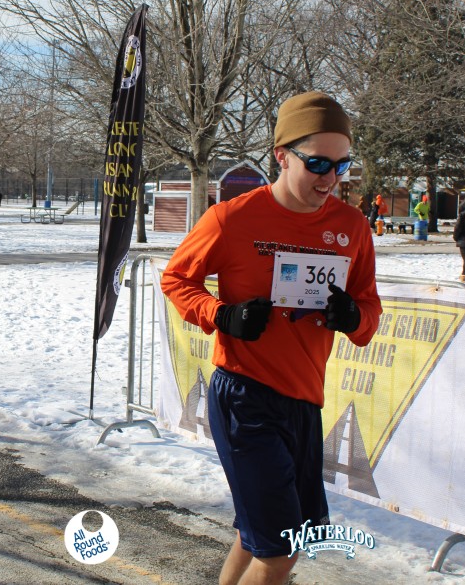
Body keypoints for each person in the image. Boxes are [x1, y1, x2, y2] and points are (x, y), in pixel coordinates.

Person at [161, 91, 382, 585]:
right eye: (317, 163)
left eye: (341, 165)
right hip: (245, 397)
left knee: (260, 534)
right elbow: (176, 279)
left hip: (304, 401)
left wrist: (352, 316)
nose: (330, 178)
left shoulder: (351, 227)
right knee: (281, 550)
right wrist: (222, 315)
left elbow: (370, 311)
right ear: (282, 155)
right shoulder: (232, 218)